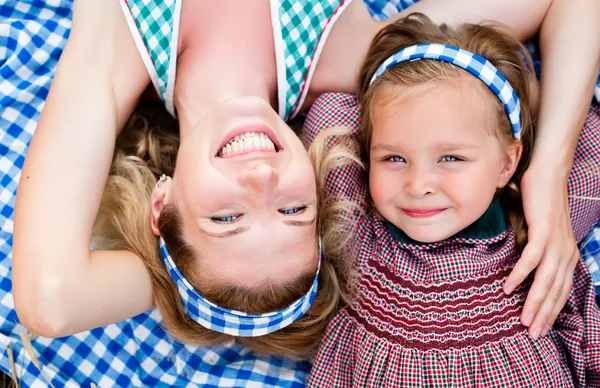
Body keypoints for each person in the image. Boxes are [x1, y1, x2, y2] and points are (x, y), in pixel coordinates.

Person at [11, 0, 598, 359]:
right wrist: (545, 172)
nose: (261, 178)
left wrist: (203, 283)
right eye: (293, 211)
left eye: (226, 219)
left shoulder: (115, 52)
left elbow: (53, 301)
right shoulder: (351, 56)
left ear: (159, 203)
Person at [304, 14, 600, 386]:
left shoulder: (539, 234)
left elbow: (588, 132)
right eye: (394, 158)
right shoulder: (358, 234)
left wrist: (526, 102)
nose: (418, 184)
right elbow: (332, 108)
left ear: (507, 162)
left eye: (451, 158)